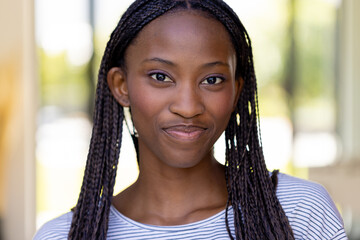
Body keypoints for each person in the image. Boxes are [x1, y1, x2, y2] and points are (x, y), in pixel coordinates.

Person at [33, 0, 348, 239]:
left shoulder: (300, 212)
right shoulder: (64, 235)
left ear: (237, 89)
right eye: (161, 76)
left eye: (211, 80)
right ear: (121, 86)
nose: (188, 107)